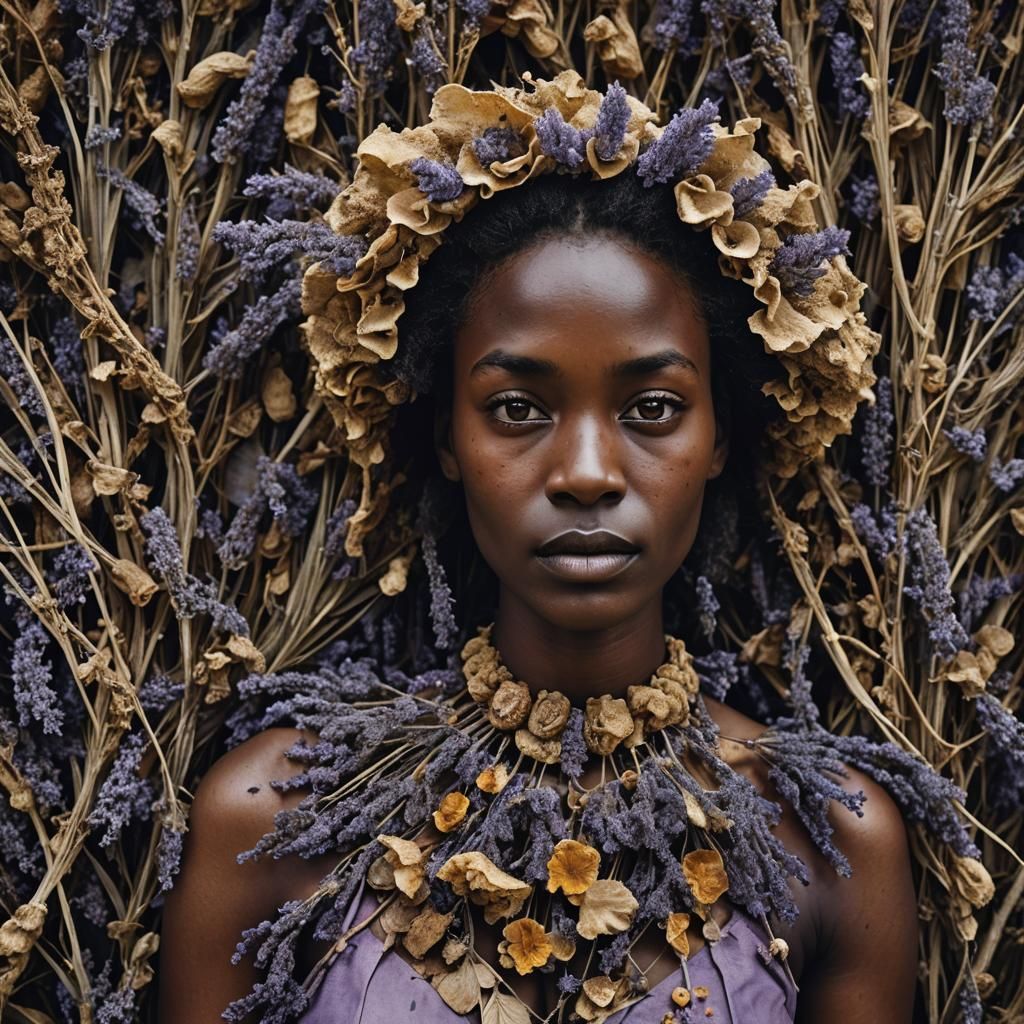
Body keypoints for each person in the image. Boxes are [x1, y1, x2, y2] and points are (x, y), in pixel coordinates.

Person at [160, 76, 924, 1024]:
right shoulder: (273, 819)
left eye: (653, 409)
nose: (589, 471)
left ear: (720, 438)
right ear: (447, 436)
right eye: (517, 409)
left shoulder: (832, 843)